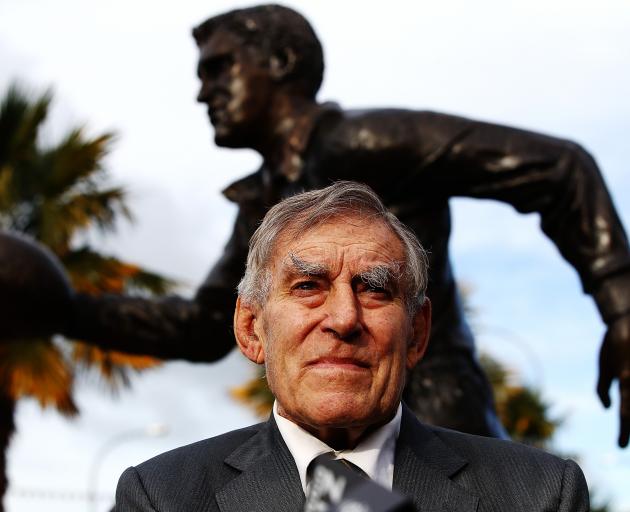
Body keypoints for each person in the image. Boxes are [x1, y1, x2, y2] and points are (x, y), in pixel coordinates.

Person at [2, 3, 629, 442]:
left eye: (219, 69)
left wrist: (623, 310)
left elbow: (558, 168)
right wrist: (65, 311)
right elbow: (202, 327)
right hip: (331, 447)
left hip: (435, 427)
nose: (203, 94)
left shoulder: (365, 140)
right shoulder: (263, 201)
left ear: (279, 61)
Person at [113, 182, 589, 511]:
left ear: (418, 334)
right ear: (252, 328)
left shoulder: (541, 496)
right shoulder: (162, 497)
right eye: (307, 286)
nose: (344, 318)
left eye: (375, 288)